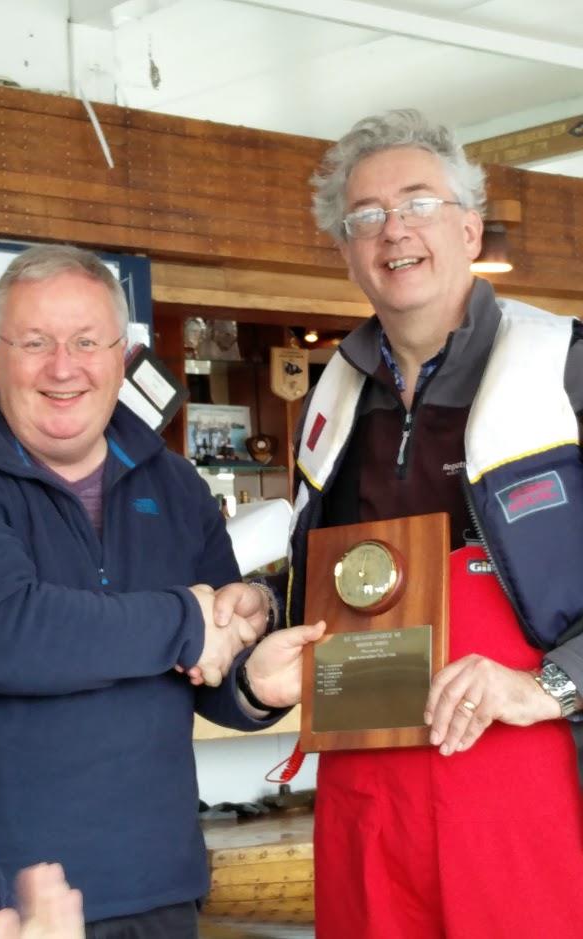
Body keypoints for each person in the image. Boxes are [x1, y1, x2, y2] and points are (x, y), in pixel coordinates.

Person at [0, 244, 324, 939]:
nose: (63, 366)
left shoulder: (175, 484)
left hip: (156, 888)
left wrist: (250, 685)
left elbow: (205, 662)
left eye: (87, 341)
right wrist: (187, 617)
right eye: (35, 342)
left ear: (125, 354)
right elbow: (4, 633)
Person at [213, 109, 583, 938]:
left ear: (467, 224)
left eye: (416, 204)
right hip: (369, 793)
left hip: (530, 781)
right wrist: (266, 607)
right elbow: (341, 583)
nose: (394, 232)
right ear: (346, 251)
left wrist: (549, 684)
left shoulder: (566, 366)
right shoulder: (333, 398)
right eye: (366, 218)